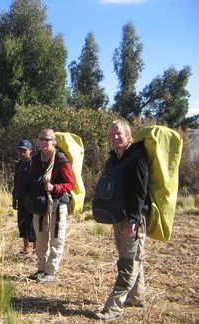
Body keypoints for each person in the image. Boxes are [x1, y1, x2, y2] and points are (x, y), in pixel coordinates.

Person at [94, 119, 149, 321]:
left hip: (134, 217)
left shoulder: (137, 158)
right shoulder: (112, 159)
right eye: (112, 134)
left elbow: (139, 192)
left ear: (128, 135)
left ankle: (114, 307)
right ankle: (137, 298)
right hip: (118, 216)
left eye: (119, 134)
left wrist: (133, 220)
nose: (115, 137)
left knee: (127, 261)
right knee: (133, 257)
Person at [27, 129, 75, 284]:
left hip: (57, 203)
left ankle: (51, 271)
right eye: (41, 139)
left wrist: (54, 188)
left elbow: (70, 184)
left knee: (56, 238)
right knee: (40, 238)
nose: (44, 142)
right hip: (40, 204)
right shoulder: (35, 160)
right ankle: (41, 269)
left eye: (47, 139)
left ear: (54, 141)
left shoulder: (61, 160)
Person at [12, 140, 36, 255]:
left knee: (32, 224)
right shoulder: (18, 165)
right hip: (20, 198)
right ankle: (26, 247)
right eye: (20, 150)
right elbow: (16, 182)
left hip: (31, 200)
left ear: (30, 151)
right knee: (22, 224)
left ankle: (36, 249)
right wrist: (14, 197)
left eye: (24, 150)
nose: (22, 153)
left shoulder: (33, 164)